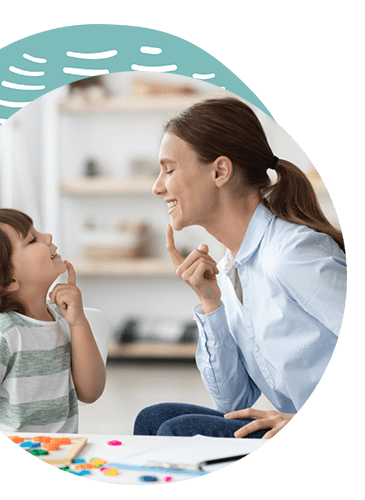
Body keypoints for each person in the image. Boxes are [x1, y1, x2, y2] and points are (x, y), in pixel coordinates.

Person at [134, 97, 346, 439]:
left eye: (169, 169)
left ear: (220, 171)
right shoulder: (230, 269)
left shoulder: (291, 253)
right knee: (154, 419)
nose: (158, 186)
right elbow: (232, 400)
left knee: (177, 432)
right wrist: (210, 304)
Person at [0, 208, 106, 433]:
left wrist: (78, 323)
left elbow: (90, 392)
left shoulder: (60, 319)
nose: (48, 237)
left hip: (62, 453)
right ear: (6, 281)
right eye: (32, 239)